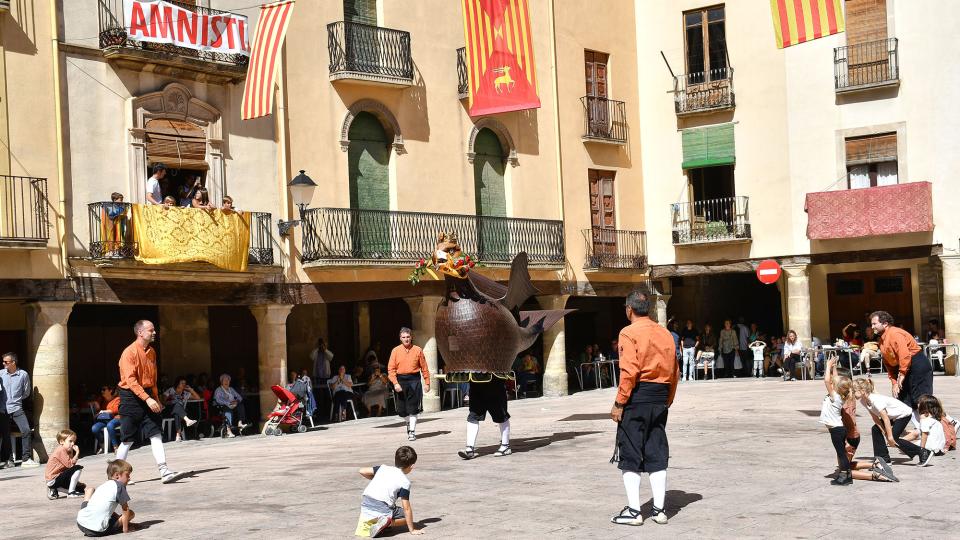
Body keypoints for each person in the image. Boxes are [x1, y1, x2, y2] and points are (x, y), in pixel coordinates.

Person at [610, 290, 678, 526]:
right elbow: (674, 370)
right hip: (660, 397)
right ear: (647, 309)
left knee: (630, 453)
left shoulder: (628, 332)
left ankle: (634, 512)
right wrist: (668, 398)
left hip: (637, 397)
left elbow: (629, 372)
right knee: (657, 451)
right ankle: (659, 510)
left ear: (629, 309)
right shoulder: (665, 333)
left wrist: (620, 402)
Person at [115, 321, 182, 483]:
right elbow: (130, 381)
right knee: (128, 438)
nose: (154, 333)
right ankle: (116, 476)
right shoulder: (129, 352)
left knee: (155, 433)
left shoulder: (152, 352)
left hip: (147, 394)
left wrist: (156, 399)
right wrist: (147, 398)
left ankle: (164, 470)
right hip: (130, 396)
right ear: (140, 332)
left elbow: (153, 379)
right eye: (151, 330)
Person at [821, 360, 896, 485]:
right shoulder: (846, 394)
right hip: (850, 435)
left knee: (843, 469)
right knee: (845, 464)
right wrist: (834, 367)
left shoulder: (843, 398)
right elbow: (834, 379)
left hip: (850, 436)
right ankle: (874, 464)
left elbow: (848, 422)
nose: (832, 381)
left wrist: (846, 442)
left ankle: (875, 475)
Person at [354, 446, 423, 537]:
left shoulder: (383, 468)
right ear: (412, 466)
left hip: (366, 504)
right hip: (382, 506)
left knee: (393, 509)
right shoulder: (405, 482)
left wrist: (377, 480)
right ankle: (386, 522)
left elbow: (362, 471)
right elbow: (406, 507)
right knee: (407, 517)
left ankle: (378, 521)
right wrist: (412, 529)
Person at [871, 310, 933, 410]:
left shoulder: (895, 333)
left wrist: (902, 373)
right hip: (903, 368)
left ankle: (949, 423)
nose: (872, 327)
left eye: (874, 324)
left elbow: (904, 355)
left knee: (923, 400)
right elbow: (889, 363)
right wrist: (894, 382)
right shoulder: (882, 340)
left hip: (916, 364)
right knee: (904, 402)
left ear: (885, 323)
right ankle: (919, 425)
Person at [853, 377, 912, 465]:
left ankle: (922, 452)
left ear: (862, 390)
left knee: (893, 438)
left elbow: (885, 419)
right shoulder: (863, 401)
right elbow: (875, 417)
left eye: (854, 391)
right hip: (892, 416)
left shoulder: (875, 400)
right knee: (875, 429)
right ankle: (883, 458)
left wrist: (890, 436)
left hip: (903, 414)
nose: (852, 394)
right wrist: (883, 431)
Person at [388, 328, 431, 441]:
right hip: (400, 381)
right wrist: (395, 383)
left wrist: (427, 382)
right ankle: (408, 423)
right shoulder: (395, 351)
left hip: (414, 380)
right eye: (404, 337)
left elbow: (424, 367)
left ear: (411, 337)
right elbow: (391, 369)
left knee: (413, 408)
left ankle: (412, 431)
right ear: (400, 338)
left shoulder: (418, 350)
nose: (406, 339)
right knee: (402, 410)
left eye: (408, 337)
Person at [456, 374, 512, 460]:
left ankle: (505, 446)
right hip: (475, 380)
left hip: (495, 380)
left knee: (501, 415)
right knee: (473, 415)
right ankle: (469, 448)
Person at [77, 459, 135, 536]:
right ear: (117, 475)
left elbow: (106, 508)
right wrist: (125, 529)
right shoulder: (120, 486)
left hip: (81, 523)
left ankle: (89, 492)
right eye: (127, 475)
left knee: (101, 510)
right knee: (131, 513)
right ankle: (121, 526)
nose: (129, 478)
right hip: (96, 530)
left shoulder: (104, 485)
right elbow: (126, 509)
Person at [1, 352, 38, 466]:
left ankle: (26, 459)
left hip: (17, 407)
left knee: (26, 430)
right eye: (3, 361)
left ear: (13, 362)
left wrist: (16, 400)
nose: (3, 364)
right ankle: (9, 460)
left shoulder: (23, 375)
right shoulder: (1, 374)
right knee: (5, 434)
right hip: (3, 409)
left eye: (6, 362)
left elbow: (26, 392)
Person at [896, 394, 947, 466]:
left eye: (919, 402)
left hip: (930, 446)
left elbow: (924, 434)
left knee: (901, 448)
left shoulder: (925, 419)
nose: (917, 404)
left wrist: (922, 450)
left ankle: (926, 453)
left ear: (924, 406)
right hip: (939, 447)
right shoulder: (934, 418)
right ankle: (934, 451)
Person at [45, 429, 85, 500]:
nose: (73, 444)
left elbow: (69, 468)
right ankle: (71, 493)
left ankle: (54, 489)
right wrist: (77, 453)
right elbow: (70, 466)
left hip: (58, 479)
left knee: (82, 489)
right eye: (70, 441)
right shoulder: (61, 450)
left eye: (74, 441)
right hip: (53, 480)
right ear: (61, 442)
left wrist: (77, 483)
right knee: (78, 468)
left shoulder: (68, 450)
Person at [162, 377, 200, 442]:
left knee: (177, 413)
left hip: (179, 413)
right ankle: (187, 420)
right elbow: (162, 401)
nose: (184, 385)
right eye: (182, 383)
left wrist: (191, 390)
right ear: (177, 384)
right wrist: (171, 402)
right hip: (168, 411)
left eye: (185, 383)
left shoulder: (185, 393)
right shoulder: (171, 390)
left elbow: (198, 398)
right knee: (177, 405)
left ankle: (178, 436)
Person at [91, 386, 121, 453]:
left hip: (115, 418)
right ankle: (102, 445)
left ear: (110, 391)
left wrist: (105, 411)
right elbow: (98, 410)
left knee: (110, 425)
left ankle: (115, 447)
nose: (102, 391)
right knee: (94, 428)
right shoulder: (102, 401)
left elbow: (116, 410)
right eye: (101, 390)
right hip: (105, 420)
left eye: (104, 389)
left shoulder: (117, 399)